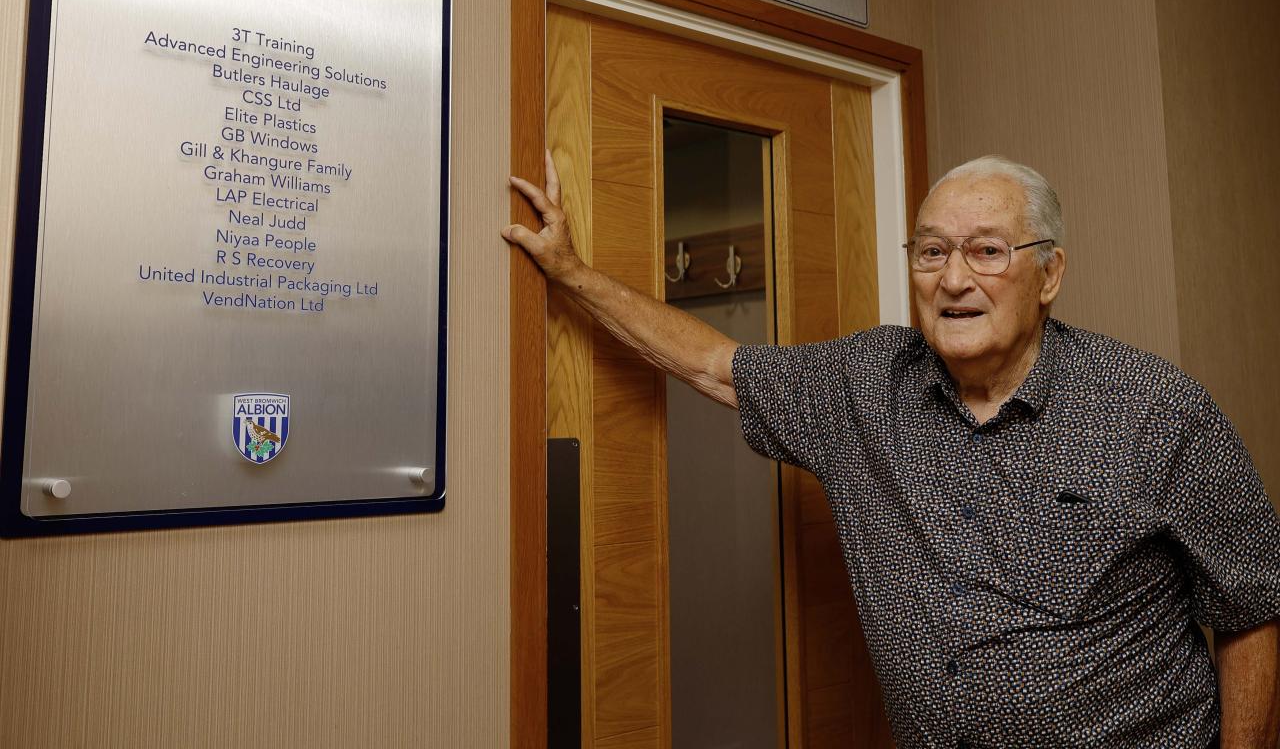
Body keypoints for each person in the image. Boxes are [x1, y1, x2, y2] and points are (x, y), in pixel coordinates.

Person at [503, 151, 1280, 748]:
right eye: (932, 252)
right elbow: (713, 365)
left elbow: (1251, 607)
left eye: (987, 252)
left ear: (1049, 274)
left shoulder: (1155, 409)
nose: (953, 279)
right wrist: (572, 273)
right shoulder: (865, 385)